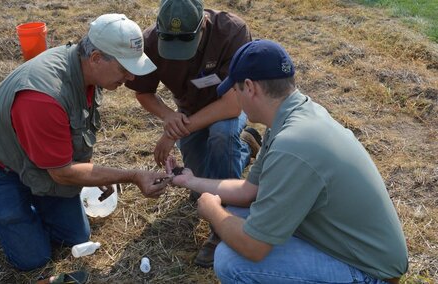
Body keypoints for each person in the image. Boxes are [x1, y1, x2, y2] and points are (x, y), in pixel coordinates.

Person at [0, 14, 171, 271]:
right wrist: (133, 175)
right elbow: (61, 172)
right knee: (33, 259)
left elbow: (72, 136)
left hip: (39, 160)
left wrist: (97, 174)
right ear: (96, 58)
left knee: (74, 239)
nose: (131, 77)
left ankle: (21, 210)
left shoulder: (86, 73)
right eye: (124, 68)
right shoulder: (44, 96)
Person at [167, 39, 408, 283]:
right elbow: (249, 191)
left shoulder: (291, 146)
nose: (236, 99)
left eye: (236, 90)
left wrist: (212, 211)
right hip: (351, 250)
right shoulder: (293, 117)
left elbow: (253, 247)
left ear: (249, 87)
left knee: (232, 262)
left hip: (370, 272)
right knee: (239, 212)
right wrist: (190, 180)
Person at [125, 0, 261, 268]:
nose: (178, 55)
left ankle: (225, 224)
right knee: (201, 182)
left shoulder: (231, 31)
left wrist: (173, 133)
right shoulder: (150, 41)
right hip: (188, 110)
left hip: (228, 109)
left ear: (203, 26)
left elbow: (233, 103)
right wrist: (168, 116)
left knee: (221, 137)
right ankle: (244, 148)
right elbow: (144, 92)